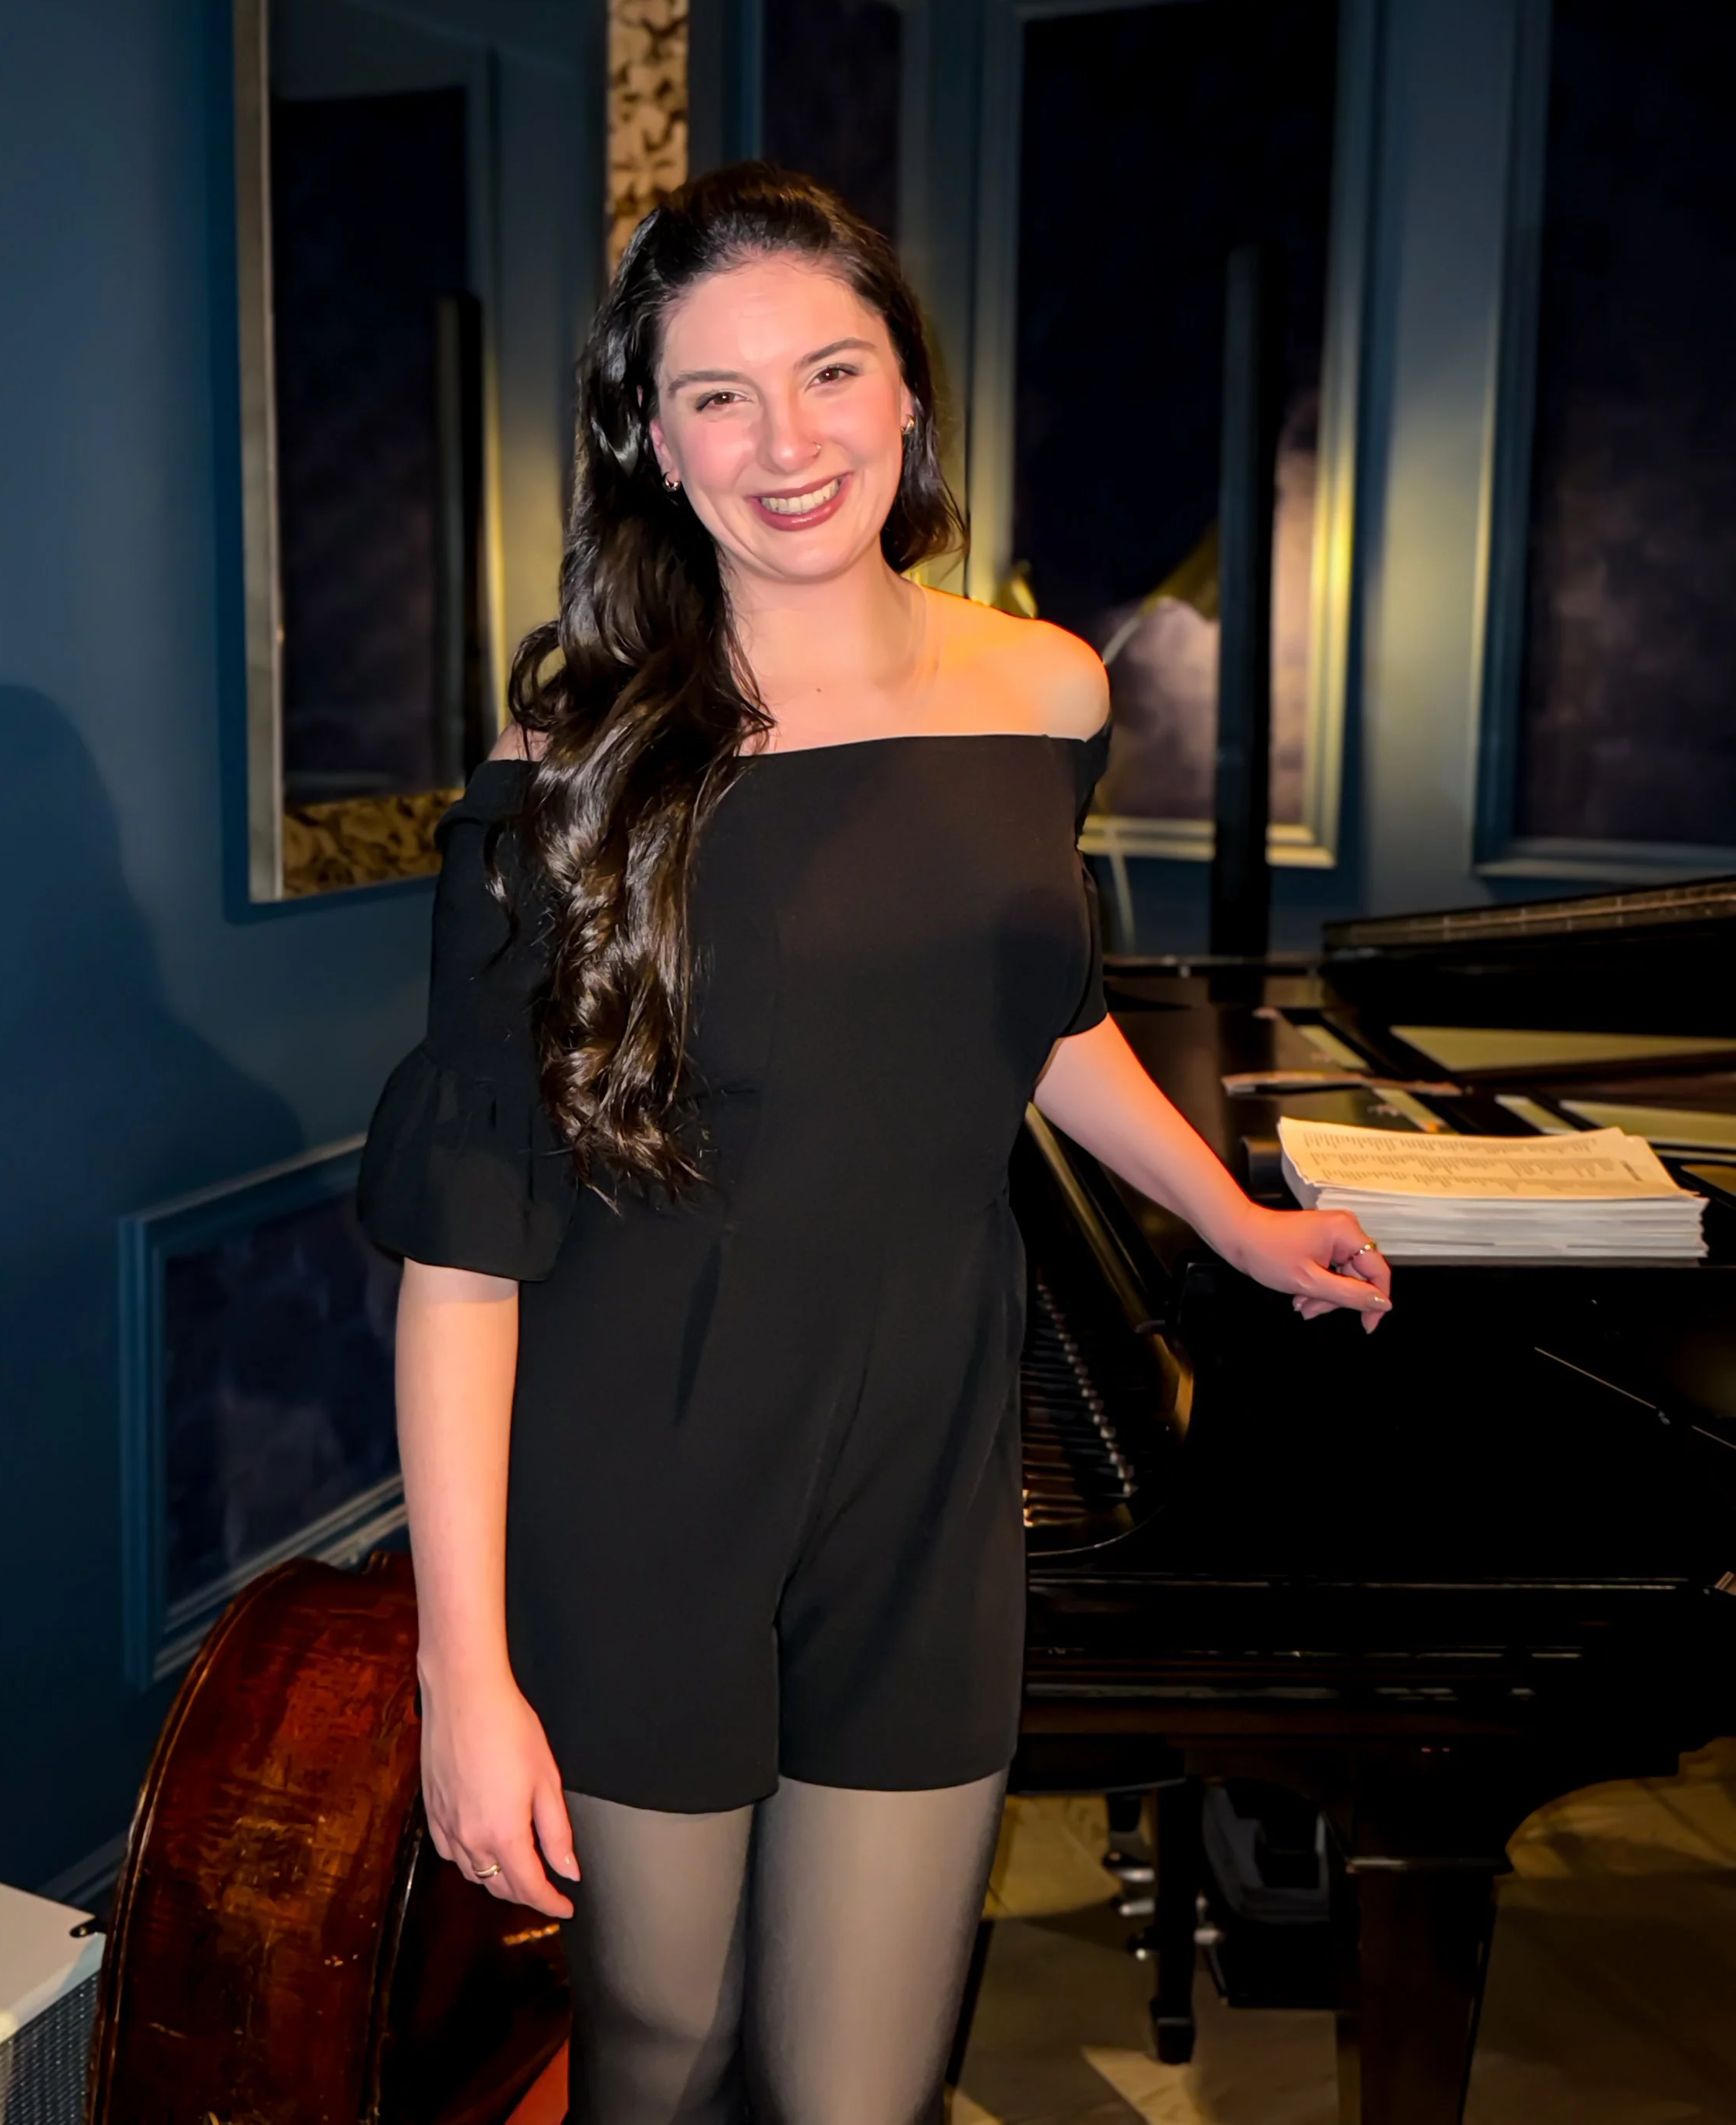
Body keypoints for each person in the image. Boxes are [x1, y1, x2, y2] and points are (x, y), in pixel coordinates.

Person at [357, 165, 1389, 2125]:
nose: (787, 439)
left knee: (860, 2084)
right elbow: (464, 1254)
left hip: (924, 1461)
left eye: (829, 370)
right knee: (659, 2046)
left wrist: (1232, 1215)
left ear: (908, 390)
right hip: (637, 1470)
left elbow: (1033, 1014)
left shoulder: (1045, 684)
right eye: (716, 396)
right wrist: (458, 1675)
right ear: (649, 442)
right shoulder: (564, 771)